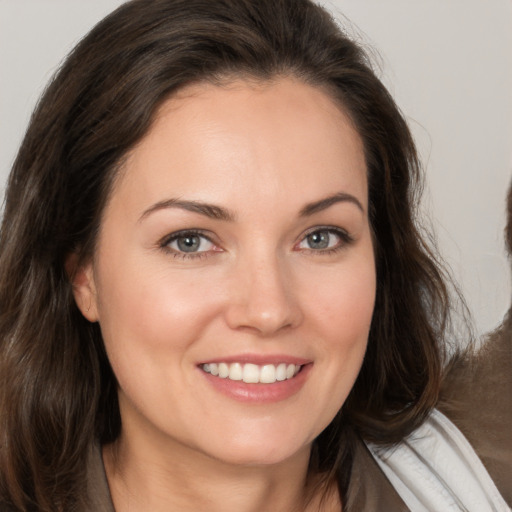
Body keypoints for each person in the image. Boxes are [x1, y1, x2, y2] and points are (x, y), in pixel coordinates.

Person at [0, 1, 509, 511]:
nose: (269, 309)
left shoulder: (478, 474)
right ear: (83, 274)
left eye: (320, 237)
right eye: (190, 241)